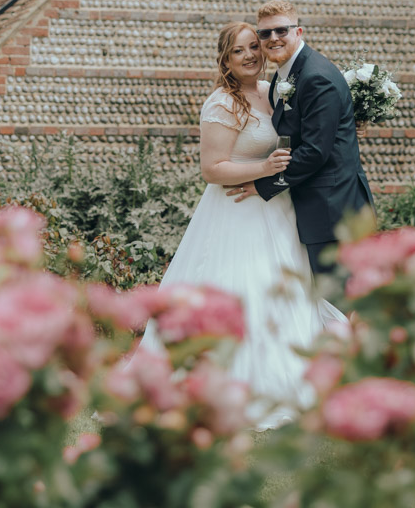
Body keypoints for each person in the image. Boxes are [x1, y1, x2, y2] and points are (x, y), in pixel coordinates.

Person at [138, 21, 345, 428]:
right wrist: (262, 168)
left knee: (287, 291)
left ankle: (295, 374)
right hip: (237, 212)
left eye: (254, 46)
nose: (251, 55)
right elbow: (212, 169)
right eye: (240, 51)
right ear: (226, 60)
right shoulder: (222, 103)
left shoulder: (273, 92)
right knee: (247, 291)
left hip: (276, 209)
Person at [224, 0, 375, 287]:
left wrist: (263, 184)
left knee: (337, 303)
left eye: (281, 30)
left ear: (299, 31)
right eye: (265, 34)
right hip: (313, 206)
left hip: (333, 211)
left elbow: (315, 152)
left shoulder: (316, 77)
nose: (273, 39)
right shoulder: (287, 75)